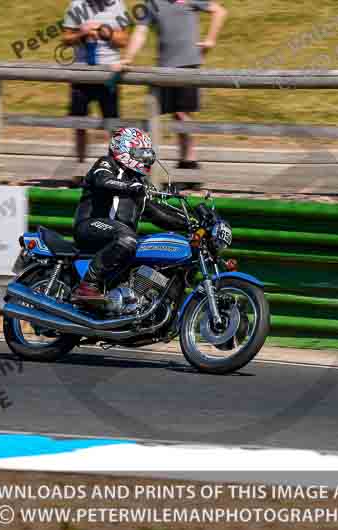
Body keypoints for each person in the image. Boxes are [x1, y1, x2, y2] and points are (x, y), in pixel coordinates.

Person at [71, 127, 190, 306]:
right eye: (140, 153)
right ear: (124, 149)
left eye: (147, 154)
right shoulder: (106, 163)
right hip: (90, 226)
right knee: (126, 237)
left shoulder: (139, 183)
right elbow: (103, 181)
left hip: (118, 238)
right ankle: (88, 285)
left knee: (150, 255)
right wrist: (129, 187)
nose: (145, 158)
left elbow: (158, 214)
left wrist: (191, 223)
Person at [114, 0, 227, 169]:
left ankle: (190, 161)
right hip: (165, 66)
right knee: (172, 115)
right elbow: (141, 31)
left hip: (188, 64)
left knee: (183, 114)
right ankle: (183, 161)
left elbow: (219, 11)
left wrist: (210, 40)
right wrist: (128, 57)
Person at [62, 0, 130, 162]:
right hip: (81, 73)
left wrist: (106, 33)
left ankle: (114, 168)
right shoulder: (77, 5)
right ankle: (79, 169)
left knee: (112, 124)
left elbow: (124, 40)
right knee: (79, 124)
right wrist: (81, 34)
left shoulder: (117, 5)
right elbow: (65, 38)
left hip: (109, 73)